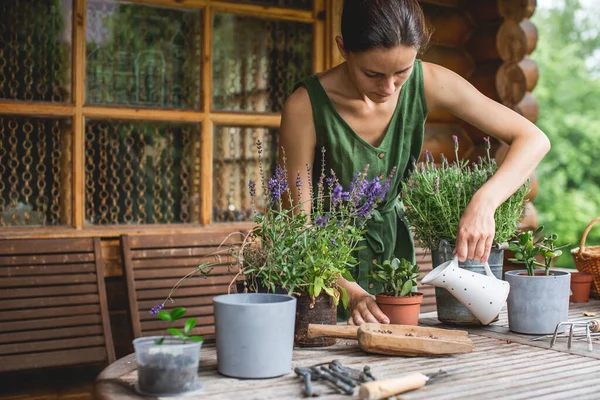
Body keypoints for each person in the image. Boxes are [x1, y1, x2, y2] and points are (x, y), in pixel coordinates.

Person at [278, 0, 550, 326]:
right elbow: (299, 228)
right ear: (343, 48)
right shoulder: (304, 106)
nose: (389, 87)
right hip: (322, 278)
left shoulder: (428, 81)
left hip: (396, 264)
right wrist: (349, 290)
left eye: (402, 72)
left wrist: (484, 202)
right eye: (373, 74)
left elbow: (533, 139)